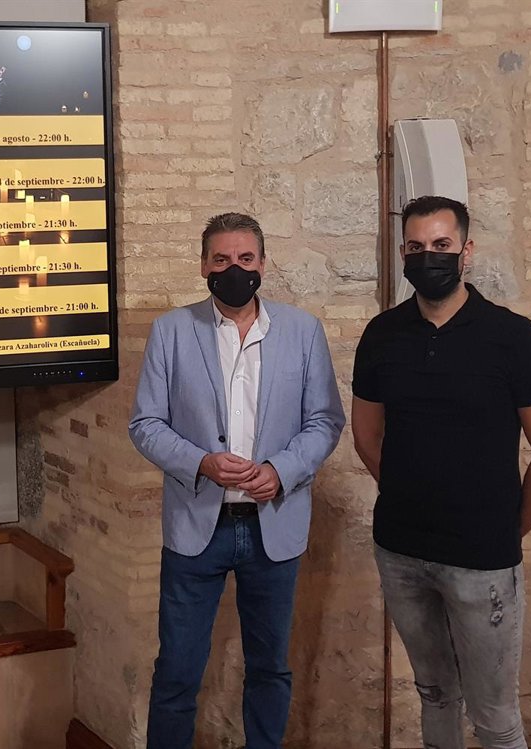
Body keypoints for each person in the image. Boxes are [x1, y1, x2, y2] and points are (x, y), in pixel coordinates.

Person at [351, 195, 531, 749]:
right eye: (416, 246)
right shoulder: (381, 335)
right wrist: (410, 494)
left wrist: (503, 530)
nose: (428, 256)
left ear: (466, 251)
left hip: (483, 562)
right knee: (434, 695)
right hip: (400, 551)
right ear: (403, 254)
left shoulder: (515, 339)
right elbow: (367, 437)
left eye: (441, 245)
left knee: (495, 717)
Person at [130, 212, 345, 749]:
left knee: (269, 668)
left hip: (274, 526)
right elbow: (146, 424)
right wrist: (201, 461)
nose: (234, 269)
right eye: (221, 259)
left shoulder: (302, 331)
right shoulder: (171, 331)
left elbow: (324, 420)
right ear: (204, 265)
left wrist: (281, 470)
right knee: (177, 671)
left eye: (245, 259)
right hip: (196, 526)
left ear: (263, 265)